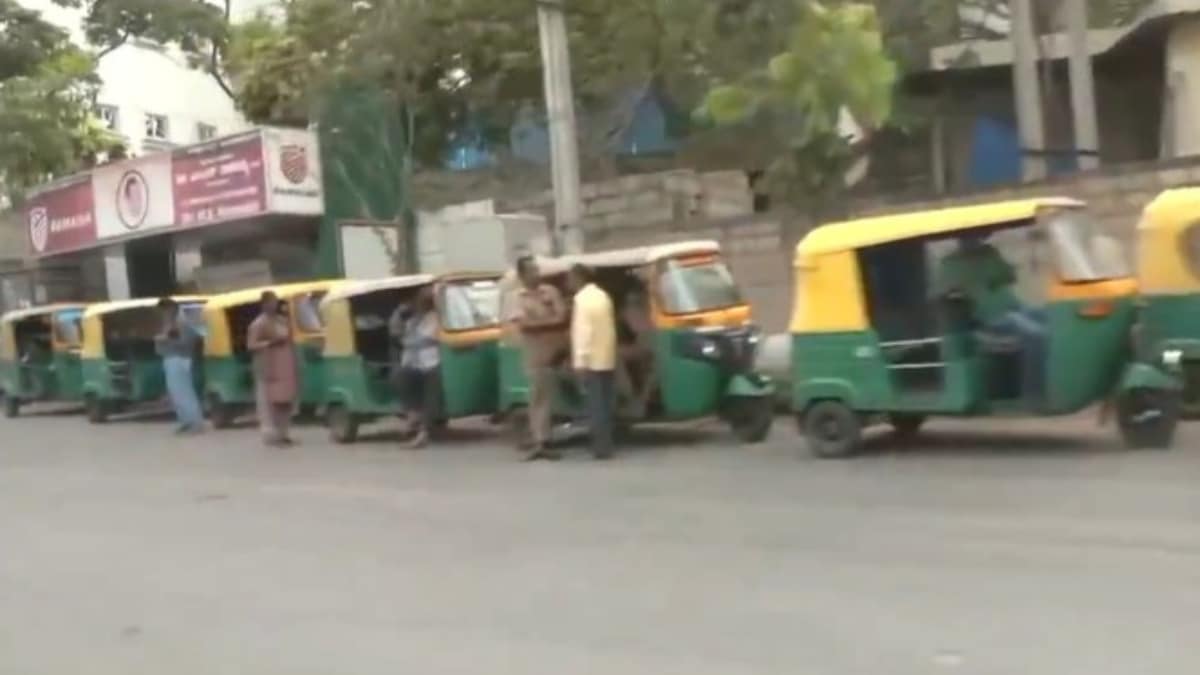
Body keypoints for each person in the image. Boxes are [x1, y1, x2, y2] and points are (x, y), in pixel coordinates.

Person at [936, 234, 1047, 404]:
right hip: (990, 316)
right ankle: (1034, 393)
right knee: (1036, 335)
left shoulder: (989, 253)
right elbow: (939, 293)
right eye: (968, 236)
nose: (973, 240)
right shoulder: (950, 263)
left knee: (1054, 320)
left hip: (1014, 306)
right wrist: (955, 294)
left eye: (975, 236)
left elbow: (1010, 276)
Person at [513, 255, 569, 461]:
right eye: (531, 271)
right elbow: (524, 326)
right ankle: (541, 441)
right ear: (522, 275)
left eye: (537, 269)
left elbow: (562, 316)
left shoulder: (550, 292)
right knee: (539, 398)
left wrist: (541, 322)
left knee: (553, 396)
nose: (536, 274)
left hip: (559, 352)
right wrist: (550, 321)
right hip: (535, 355)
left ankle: (546, 436)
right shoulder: (518, 298)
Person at [569, 264, 618, 460]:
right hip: (607, 357)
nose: (569, 283)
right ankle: (607, 443)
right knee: (605, 404)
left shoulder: (581, 300)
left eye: (570, 278)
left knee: (595, 405)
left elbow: (583, 332)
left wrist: (580, 361)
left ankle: (600, 447)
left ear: (578, 278)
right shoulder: (603, 296)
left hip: (591, 360)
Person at [246, 291, 299, 446]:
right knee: (269, 403)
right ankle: (272, 436)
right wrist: (270, 343)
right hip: (267, 367)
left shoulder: (282, 321)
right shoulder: (258, 324)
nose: (274, 305)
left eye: (275, 302)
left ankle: (284, 434)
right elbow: (251, 345)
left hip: (284, 367)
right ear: (263, 304)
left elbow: (290, 339)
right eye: (271, 302)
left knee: (285, 401)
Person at [397, 287, 441, 448]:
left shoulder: (435, 318)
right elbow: (405, 338)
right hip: (415, 363)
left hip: (432, 361)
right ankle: (412, 415)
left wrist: (411, 342)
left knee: (431, 392)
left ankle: (424, 432)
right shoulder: (413, 320)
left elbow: (428, 339)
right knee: (401, 377)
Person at [156, 298, 205, 434]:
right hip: (170, 358)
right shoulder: (169, 323)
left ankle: (195, 423)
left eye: (164, 310)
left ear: (171, 309)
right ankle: (185, 421)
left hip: (179, 359)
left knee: (184, 393)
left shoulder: (182, 322)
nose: (163, 313)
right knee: (176, 393)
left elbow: (187, 342)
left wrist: (166, 338)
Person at [616, 287, 655, 418]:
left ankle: (631, 398)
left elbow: (640, 330)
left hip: (649, 344)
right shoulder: (634, 310)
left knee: (614, 356)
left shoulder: (635, 310)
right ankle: (633, 397)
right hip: (644, 344)